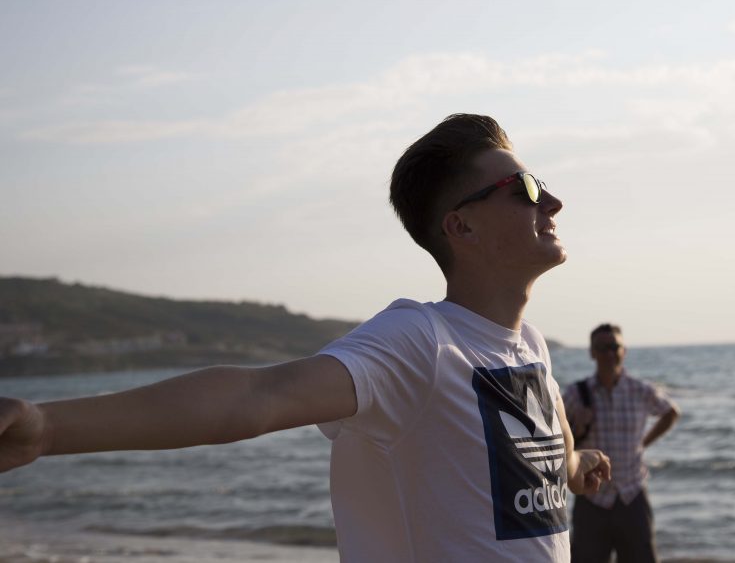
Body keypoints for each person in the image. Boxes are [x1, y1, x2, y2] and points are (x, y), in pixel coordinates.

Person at [0, 114, 611, 562]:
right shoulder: (419, 342)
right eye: (526, 189)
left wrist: (576, 467)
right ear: (462, 225)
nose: (553, 201)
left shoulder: (527, 345)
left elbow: (545, 450)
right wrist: (48, 428)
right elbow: (259, 396)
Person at [562, 323, 679, 563]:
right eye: (602, 348)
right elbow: (554, 438)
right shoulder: (576, 394)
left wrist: (644, 443)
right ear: (592, 353)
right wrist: (578, 428)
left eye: (614, 346)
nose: (608, 353)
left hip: (632, 494)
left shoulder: (640, 390)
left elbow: (670, 413)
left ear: (624, 350)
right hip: (591, 498)